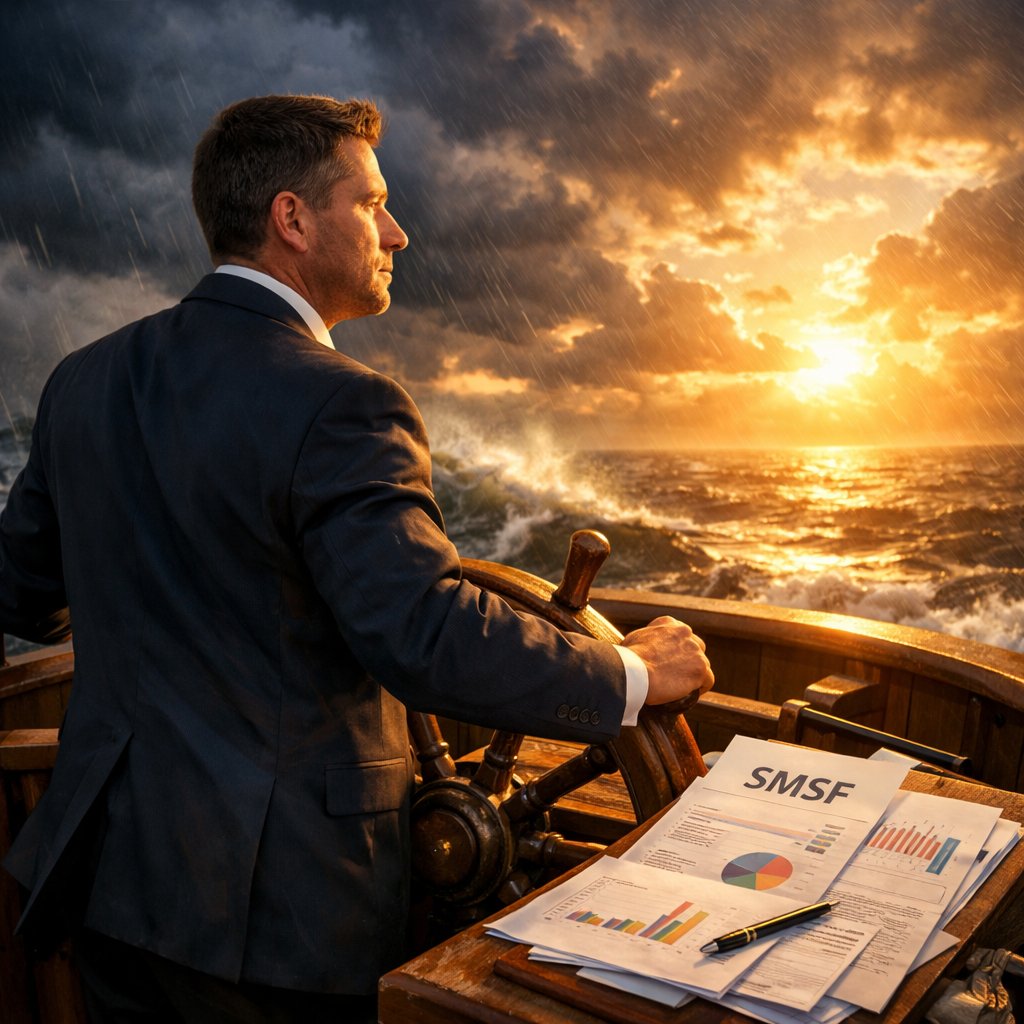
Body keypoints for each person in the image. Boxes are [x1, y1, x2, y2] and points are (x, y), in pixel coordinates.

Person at [0, 95, 713, 1023]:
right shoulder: (343, 403)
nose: (399, 231)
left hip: (113, 880)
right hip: (281, 915)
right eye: (372, 202)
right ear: (291, 219)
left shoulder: (82, 381)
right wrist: (625, 675)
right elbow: (422, 633)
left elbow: (26, 594)